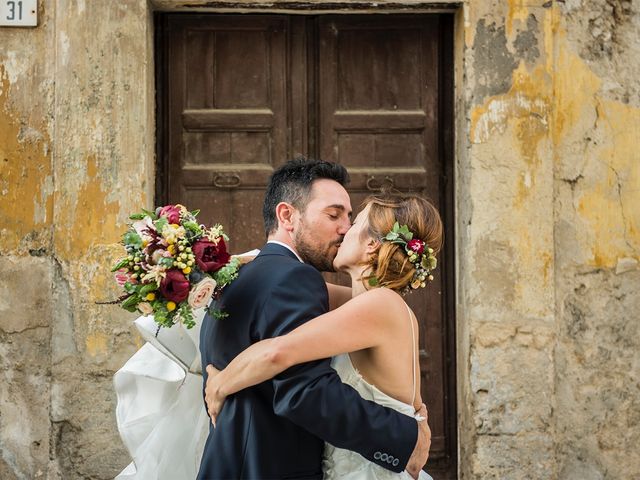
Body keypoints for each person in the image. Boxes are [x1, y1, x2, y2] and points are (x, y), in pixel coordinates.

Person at [198, 158, 432, 479]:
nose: (344, 229)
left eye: (352, 220)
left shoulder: (377, 304)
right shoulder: (319, 288)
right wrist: (250, 257)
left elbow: (279, 353)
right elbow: (304, 386)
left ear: (373, 245)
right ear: (287, 216)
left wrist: (221, 383)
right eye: (335, 215)